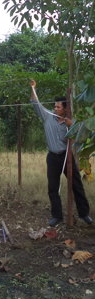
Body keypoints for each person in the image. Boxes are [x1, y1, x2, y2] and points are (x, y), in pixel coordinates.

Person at [30, 79, 92, 227]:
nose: (55, 108)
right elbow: (35, 103)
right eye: (55, 106)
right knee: (53, 187)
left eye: (58, 107)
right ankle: (56, 216)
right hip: (52, 157)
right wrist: (33, 88)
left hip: (67, 156)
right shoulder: (47, 117)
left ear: (65, 108)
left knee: (76, 185)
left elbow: (82, 136)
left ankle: (84, 214)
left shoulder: (70, 122)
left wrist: (73, 126)